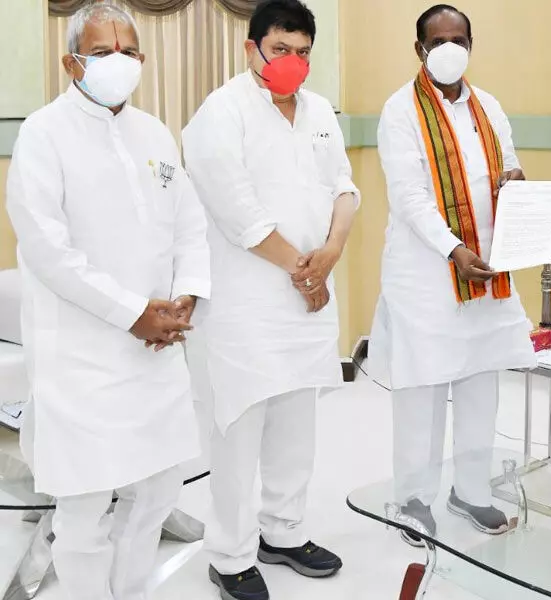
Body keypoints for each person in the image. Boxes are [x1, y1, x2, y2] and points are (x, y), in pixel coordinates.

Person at [5, 4, 210, 599]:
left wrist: (188, 296)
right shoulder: (43, 134)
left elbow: (189, 225)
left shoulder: (153, 132)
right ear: (72, 61)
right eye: (102, 52)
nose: (118, 61)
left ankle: (130, 590)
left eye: (128, 51)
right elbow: (47, 249)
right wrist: (133, 313)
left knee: (160, 490)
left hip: (157, 350)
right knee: (85, 506)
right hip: (83, 357)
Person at [181, 0, 358, 598]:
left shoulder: (317, 112)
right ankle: (229, 556)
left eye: (302, 52)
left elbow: (344, 186)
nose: (292, 62)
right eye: (280, 49)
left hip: (305, 300)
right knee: (237, 430)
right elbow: (238, 213)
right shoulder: (219, 114)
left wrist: (330, 252)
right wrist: (304, 272)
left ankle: (282, 532)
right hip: (244, 305)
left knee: (295, 423)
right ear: (251, 47)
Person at [368, 3, 536, 545]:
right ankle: (412, 499)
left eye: (458, 39)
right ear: (419, 49)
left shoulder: (489, 106)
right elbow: (409, 197)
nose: (448, 48)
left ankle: (471, 491)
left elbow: (510, 166)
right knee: (421, 387)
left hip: (486, 271)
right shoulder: (400, 111)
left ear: (470, 43)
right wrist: (453, 249)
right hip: (426, 275)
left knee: (480, 382)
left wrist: (515, 181)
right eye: (436, 40)